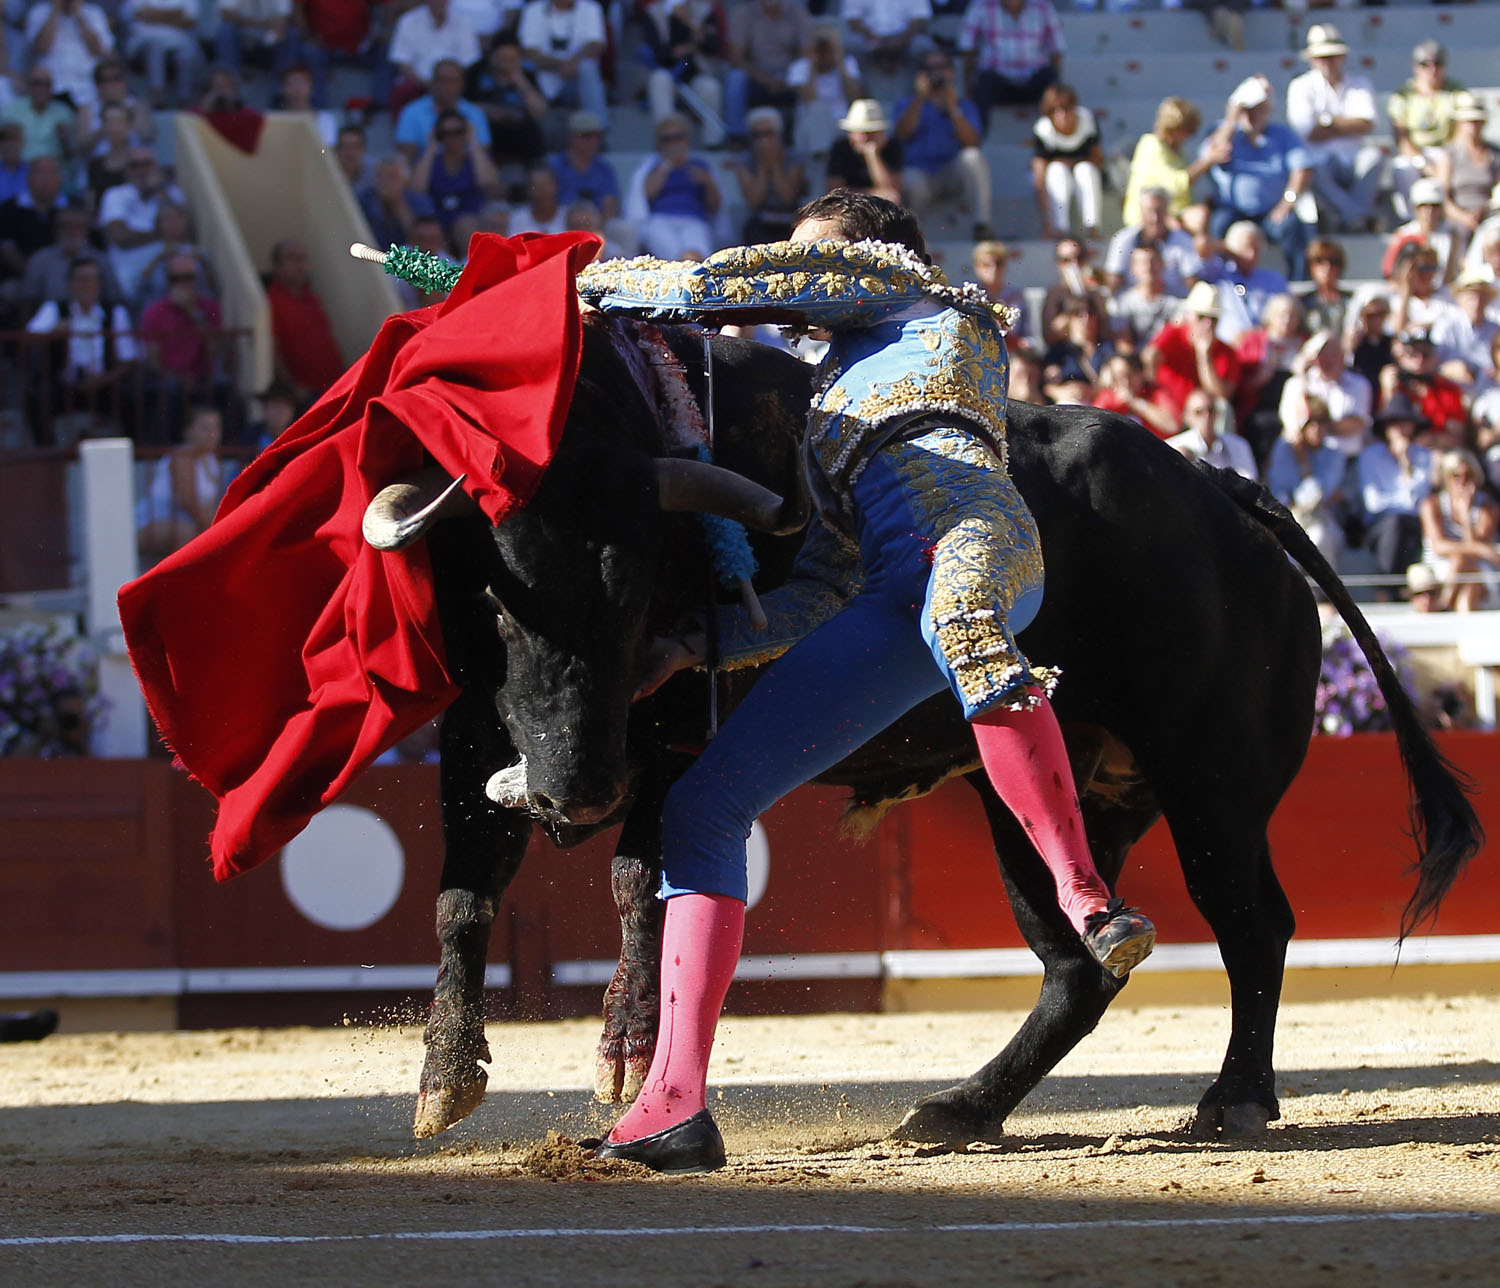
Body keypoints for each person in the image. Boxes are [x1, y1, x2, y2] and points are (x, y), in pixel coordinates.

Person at [577, 190, 1156, 1173]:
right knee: (704, 809)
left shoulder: (911, 289)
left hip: (978, 533)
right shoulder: (830, 402)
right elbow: (825, 580)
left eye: (806, 255)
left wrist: (584, 284)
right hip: (895, 591)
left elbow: (721, 282)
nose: (789, 271)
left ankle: (1089, 901)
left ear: (861, 251)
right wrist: (697, 651)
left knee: (963, 622)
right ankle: (672, 1105)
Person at [1201, 75, 1313, 281]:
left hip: (1271, 212)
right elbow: (1214, 155)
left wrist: (1286, 202)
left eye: (1258, 109)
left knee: (1294, 227)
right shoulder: (1224, 131)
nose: (1252, 116)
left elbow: (1302, 169)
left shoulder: (1282, 135)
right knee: (1218, 226)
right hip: (1232, 210)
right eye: (1247, 110)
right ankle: (1219, 282)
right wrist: (1231, 120)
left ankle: (1299, 285)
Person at [24, 255, 138, 444]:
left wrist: (104, 379)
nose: (86, 284)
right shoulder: (54, 309)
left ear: (99, 284)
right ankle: (50, 458)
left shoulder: (115, 313)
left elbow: (129, 359)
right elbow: (27, 340)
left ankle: (133, 454)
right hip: (64, 385)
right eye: (80, 279)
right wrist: (52, 332)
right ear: (70, 283)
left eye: (91, 279)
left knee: (133, 396)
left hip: (104, 385)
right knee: (36, 398)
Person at [1283, 24, 1381, 235]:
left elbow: (1367, 124)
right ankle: (1357, 216)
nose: (1327, 62)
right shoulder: (1300, 86)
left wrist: (1326, 122)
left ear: (1342, 57)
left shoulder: (1360, 83)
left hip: (1353, 158)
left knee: (1374, 157)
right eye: (1322, 57)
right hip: (1320, 160)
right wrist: (1346, 124)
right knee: (1312, 168)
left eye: (1332, 56)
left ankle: (1352, 215)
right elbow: (1308, 133)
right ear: (1311, 60)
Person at [892, 48, 989, 242]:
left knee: (973, 158)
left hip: (951, 172)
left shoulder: (964, 105)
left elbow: (972, 142)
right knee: (911, 178)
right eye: (931, 69)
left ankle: (981, 224)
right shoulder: (906, 104)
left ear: (951, 72)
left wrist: (952, 108)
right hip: (921, 174)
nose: (936, 73)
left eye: (941, 68)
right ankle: (914, 238)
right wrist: (921, 98)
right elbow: (901, 135)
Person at [1358, 392, 1433, 597]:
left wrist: (1405, 466)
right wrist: (1407, 488)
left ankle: (1399, 591)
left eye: (1405, 423)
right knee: (1396, 525)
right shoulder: (1369, 456)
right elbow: (1374, 504)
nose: (1400, 429)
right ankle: (1388, 591)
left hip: (1414, 524)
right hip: (1380, 527)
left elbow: (1422, 501)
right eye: (1395, 423)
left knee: (1405, 526)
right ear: (1386, 427)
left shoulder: (1425, 456)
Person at [1387, 40, 1465, 224]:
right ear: (1415, 67)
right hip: (1415, 152)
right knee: (1403, 168)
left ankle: (1446, 215)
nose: (1432, 69)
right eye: (1425, 64)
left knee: (1453, 166)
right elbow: (1401, 137)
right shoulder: (1404, 94)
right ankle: (1412, 220)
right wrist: (1424, 163)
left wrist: (1447, 158)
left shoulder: (1455, 91)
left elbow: (1463, 128)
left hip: (1447, 150)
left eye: (1437, 63)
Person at [1266, 394, 1347, 569]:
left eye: (1322, 421)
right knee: (1285, 548)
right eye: (1310, 422)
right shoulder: (1283, 449)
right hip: (1288, 518)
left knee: (1320, 537)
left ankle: (1324, 595)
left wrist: (1303, 462)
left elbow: (1316, 496)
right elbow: (1279, 495)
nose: (1317, 428)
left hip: (1324, 520)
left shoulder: (1335, 454)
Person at [136, 404, 226, 560]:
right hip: (151, 523)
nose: (212, 433)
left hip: (189, 523)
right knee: (188, 533)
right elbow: (189, 502)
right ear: (188, 432)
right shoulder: (182, 455)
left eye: (216, 427)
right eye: (204, 427)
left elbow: (211, 506)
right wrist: (221, 532)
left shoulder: (212, 460)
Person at [627, 114, 722, 260]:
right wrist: (667, 165)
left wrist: (707, 182)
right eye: (667, 140)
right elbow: (644, 195)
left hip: (694, 221)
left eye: (678, 137)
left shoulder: (700, 165)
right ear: (659, 143)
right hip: (660, 221)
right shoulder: (651, 166)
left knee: (696, 258)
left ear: (687, 139)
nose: (674, 144)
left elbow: (715, 206)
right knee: (676, 261)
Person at [1143, 279, 1240, 420]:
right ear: (1189, 316)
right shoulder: (1173, 333)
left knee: (1223, 409)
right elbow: (1149, 357)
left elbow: (1221, 395)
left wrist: (1204, 356)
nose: (1208, 324)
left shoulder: (1226, 352)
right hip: (1169, 411)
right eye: (1202, 317)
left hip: (1201, 417)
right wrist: (1156, 395)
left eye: (1213, 319)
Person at [1122, 96, 1222, 231]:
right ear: (1174, 127)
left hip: (1173, 215)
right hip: (1148, 217)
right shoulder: (1151, 146)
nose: (1191, 136)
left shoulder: (1179, 152)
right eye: (1188, 130)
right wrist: (1207, 161)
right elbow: (1176, 186)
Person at [1418, 448, 1500, 612]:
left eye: (1468, 475)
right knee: (1466, 575)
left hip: (1479, 571)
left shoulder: (1488, 508)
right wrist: (1480, 549)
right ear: (1446, 478)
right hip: (1439, 569)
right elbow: (1439, 546)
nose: (1462, 481)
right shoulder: (1431, 504)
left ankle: (1443, 606)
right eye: (1456, 475)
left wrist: (1466, 518)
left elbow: (1475, 555)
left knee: (1464, 566)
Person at [265, 236, 344, 405]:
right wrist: (292, 387)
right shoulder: (271, 301)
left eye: (302, 258)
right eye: (291, 258)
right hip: (305, 394)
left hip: (333, 386)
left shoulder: (311, 297)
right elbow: (273, 349)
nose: (299, 264)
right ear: (277, 265)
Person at [958, 0, 1063, 124]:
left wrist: (1056, 90)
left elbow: (1056, 50)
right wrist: (967, 91)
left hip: (1033, 81)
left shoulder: (1043, 6)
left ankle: (1051, 135)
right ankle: (976, 137)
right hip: (997, 82)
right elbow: (967, 49)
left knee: (1049, 78)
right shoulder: (980, 6)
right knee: (984, 82)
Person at [640, 0, 725, 149]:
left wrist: (691, 22)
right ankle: (666, 140)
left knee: (711, 87)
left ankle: (713, 142)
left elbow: (712, 46)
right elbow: (659, 52)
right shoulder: (653, 13)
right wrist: (690, 47)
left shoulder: (705, 11)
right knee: (659, 79)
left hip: (694, 72)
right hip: (668, 72)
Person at [413, 109, 504, 248]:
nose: (452, 138)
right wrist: (431, 146)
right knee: (425, 228)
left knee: (466, 224)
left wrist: (473, 142)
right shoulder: (432, 160)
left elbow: (488, 182)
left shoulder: (475, 158)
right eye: (445, 133)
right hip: (436, 219)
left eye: (458, 132)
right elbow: (416, 187)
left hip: (469, 220)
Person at [724, 0, 810, 144]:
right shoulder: (744, 13)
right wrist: (764, 79)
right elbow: (736, 57)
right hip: (756, 76)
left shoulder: (797, 12)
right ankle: (736, 136)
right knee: (736, 78)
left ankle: (802, 136)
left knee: (807, 72)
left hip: (789, 76)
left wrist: (787, 78)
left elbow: (807, 52)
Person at [1279, 329, 1372, 462]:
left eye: (1333, 353)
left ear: (1342, 355)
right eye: (1321, 354)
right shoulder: (1295, 384)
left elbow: (1354, 425)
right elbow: (1293, 427)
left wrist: (1317, 426)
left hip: (1348, 461)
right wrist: (1302, 377)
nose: (1328, 359)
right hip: (1304, 461)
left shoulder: (1360, 384)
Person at [516, 0, 609, 127]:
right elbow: (529, 52)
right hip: (542, 81)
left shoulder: (591, 8)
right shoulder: (533, 10)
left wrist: (573, 63)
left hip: (576, 80)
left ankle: (598, 127)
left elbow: (596, 45)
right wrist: (560, 65)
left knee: (587, 67)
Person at [468, 35, 548, 181]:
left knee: (532, 130)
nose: (507, 63)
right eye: (502, 58)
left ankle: (537, 180)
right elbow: (463, 104)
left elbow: (540, 111)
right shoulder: (475, 72)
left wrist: (520, 82)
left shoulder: (526, 74)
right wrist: (489, 110)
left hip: (518, 129)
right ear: (491, 56)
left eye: (512, 58)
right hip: (486, 127)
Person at [1029, 82, 1101, 240]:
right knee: (1056, 171)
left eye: (1067, 108)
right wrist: (1047, 222)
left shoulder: (1087, 121)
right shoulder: (1043, 130)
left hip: (1083, 171)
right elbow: (1039, 178)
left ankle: (1092, 227)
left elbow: (1098, 159)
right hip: (1057, 177)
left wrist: (1072, 163)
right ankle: (1060, 228)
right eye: (1055, 110)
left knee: (1085, 170)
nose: (1062, 114)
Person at [1103, 186, 1201, 299]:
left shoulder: (1184, 241)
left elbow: (1191, 281)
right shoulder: (1123, 239)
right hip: (1132, 307)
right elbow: (1113, 279)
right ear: (1140, 211)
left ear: (1167, 211)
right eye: (1149, 211)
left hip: (1173, 305)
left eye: (1159, 211)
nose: (1154, 218)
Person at [726, 106, 806, 244]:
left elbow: (788, 197)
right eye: (757, 135)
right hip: (760, 221)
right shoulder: (745, 161)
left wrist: (775, 167)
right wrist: (763, 167)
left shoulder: (793, 158)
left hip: (790, 220)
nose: (763, 140)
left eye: (768, 133)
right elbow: (754, 202)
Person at [1433, 95, 1499, 257]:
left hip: (1488, 216)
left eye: (1477, 121)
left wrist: (1484, 210)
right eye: (1469, 121)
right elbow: (1442, 196)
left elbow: (1498, 192)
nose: (1473, 126)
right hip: (1456, 217)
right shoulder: (1450, 154)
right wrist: (1464, 217)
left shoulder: (1494, 154)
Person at [1199, 220, 1288, 339]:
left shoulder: (1275, 280)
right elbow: (1202, 246)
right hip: (1227, 346)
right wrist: (1226, 248)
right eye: (1246, 248)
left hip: (1263, 345)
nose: (1251, 254)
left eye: (1256, 249)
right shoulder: (1218, 274)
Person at [785, 23, 861, 160]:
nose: (824, 48)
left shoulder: (847, 63)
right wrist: (813, 63)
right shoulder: (800, 67)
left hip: (841, 127)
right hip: (809, 130)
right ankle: (822, 157)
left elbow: (854, 98)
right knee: (818, 109)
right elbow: (809, 100)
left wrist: (839, 60)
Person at [24, 0, 115, 112]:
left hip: (88, 86)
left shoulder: (94, 13)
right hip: (51, 87)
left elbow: (99, 50)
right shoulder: (39, 12)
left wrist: (78, 15)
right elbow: (41, 47)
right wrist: (55, 10)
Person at [121, 0, 205, 109]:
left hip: (179, 41)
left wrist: (155, 16)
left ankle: (185, 101)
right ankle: (158, 100)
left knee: (187, 55)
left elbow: (190, 21)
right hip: (145, 41)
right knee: (155, 49)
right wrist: (175, 14)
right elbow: (140, 14)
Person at [824, 98, 901, 204]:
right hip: (849, 205)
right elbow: (835, 191)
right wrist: (873, 194)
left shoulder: (891, 146)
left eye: (870, 131)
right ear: (850, 132)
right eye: (860, 132)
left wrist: (872, 155)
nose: (865, 137)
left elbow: (892, 189)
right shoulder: (841, 148)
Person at [1384, 177, 1460, 284]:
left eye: (1435, 206)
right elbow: (1389, 274)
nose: (1430, 211)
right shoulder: (1403, 235)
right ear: (1415, 208)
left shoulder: (1452, 235)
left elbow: (1453, 274)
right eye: (1424, 205)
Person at [1108, 244, 1180, 354]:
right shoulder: (1123, 302)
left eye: (1153, 261)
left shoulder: (1177, 299)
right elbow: (1123, 344)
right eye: (1142, 263)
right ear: (1133, 267)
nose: (1148, 267)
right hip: (1136, 364)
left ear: (1162, 264)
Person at [1091, 351, 1177, 439]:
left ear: (1141, 373)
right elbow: (1093, 428)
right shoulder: (1107, 399)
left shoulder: (1155, 392)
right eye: (1119, 377)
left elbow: (1172, 426)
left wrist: (1136, 402)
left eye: (1130, 375)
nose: (1126, 382)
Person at [360, 153, 437, 250]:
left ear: (405, 180)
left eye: (392, 177)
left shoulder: (420, 202)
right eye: (381, 176)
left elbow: (422, 238)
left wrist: (398, 204)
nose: (386, 182)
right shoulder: (365, 200)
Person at [0, 66, 74, 163]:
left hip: (53, 172)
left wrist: (64, 141)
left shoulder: (64, 114)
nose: (42, 88)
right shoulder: (10, 112)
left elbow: (72, 155)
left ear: (52, 87)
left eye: (46, 84)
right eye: (37, 83)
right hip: (20, 171)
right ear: (29, 85)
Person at [841, 0, 930, 77]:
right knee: (850, 44)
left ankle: (920, 88)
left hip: (904, 37)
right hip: (868, 37)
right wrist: (872, 37)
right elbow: (853, 18)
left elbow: (920, 17)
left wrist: (901, 39)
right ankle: (859, 86)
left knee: (923, 44)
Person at [971, 238, 1027, 345]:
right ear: (977, 267)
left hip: (1012, 354)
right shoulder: (970, 298)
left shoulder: (1017, 296)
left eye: (998, 263)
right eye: (986, 264)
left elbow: (1028, 336)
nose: (993, 269)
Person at [1297, 237, 1352, 340]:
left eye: (1333, 262)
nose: (1327, 267)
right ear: (1311, 266)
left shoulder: (1351, 301)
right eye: (1319, 261)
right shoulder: (1302, 303)